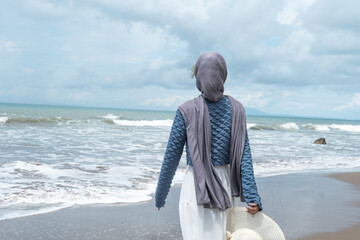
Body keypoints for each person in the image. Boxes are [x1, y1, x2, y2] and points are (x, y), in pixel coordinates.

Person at [155, 51, 262, 240]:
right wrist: (252, 197)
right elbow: (244, 156)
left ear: (199, 76)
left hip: (194, 186)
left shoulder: (186, 110)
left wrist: (160, 195)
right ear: (222, 74)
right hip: (224, 187)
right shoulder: (237, 109)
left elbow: (171, 158)